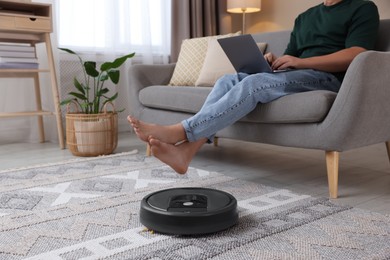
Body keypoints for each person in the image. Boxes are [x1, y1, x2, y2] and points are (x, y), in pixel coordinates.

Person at [128, 0, 379, 174]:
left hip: (327, 78)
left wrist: (301, 62)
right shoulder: (305, 17)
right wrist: (273, 60)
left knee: (255, 83)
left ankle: (180, 132)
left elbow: (357, 53)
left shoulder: (362, 8)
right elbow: (290, 55)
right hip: (296, 74)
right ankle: (187, 152)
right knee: (228, 79)